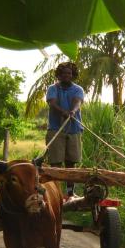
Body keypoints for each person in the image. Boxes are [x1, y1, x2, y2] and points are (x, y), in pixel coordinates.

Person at [45, 62, 84, 199]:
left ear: (73, 75)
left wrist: (72, 112)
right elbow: (52, 103)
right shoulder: (53, 88)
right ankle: (55, 192)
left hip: (74, 129)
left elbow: (77, 101)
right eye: (64, 73)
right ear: (59, 75)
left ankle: (70, 192)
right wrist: (64, 112)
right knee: (55, 162)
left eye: (70, 73)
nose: (67, 75)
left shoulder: (78, 89)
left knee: (71, 162)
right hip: (56, 129)